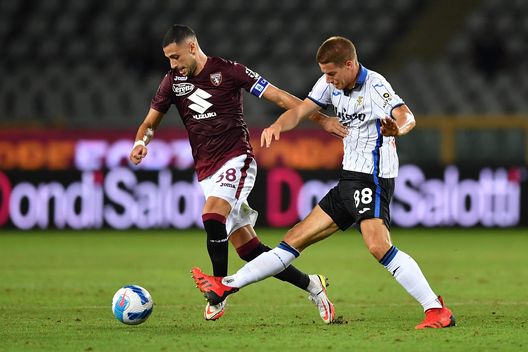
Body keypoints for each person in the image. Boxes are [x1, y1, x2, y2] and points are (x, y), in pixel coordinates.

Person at [192, 36, 456, 329]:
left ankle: (435, 309)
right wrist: (278, 125)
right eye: (324, 73)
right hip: (349, 179)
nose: (328, 79)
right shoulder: (328, 83)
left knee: (378, 245)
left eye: (332, 73)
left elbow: (407, 116)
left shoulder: (375, 86)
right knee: (293, 239)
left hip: (373, 177)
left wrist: (398, 129)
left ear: (350, 64)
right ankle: (226, 285)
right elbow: (301, 111)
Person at [129, 25, 347, 323]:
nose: (173, 64)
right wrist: (141, 142)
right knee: (250, 250)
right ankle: (313, 285)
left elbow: (279, 97)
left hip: (236, 158)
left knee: (212, 215)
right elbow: (149, 122)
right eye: (168, 59)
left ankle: (218, 288)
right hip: (206, 171)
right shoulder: (172, 82)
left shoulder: (229, 71)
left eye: (176, 57)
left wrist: (322, 120)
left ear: (192, 47)